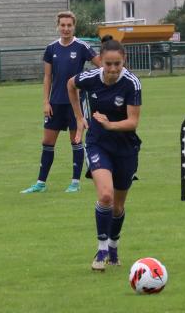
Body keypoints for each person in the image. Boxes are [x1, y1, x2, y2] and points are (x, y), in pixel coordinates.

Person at [67, 38, 142, 271]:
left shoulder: (132, 83)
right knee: (106, 196)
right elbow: (71, 84)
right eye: (108, 64)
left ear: (124, 61)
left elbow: (133, 122)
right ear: (101, 61)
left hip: (125, 147)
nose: (111, 69)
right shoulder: (91, 78)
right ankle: (100, 250)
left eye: (117, 64)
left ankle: (113, 246)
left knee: (118, 207)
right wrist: (80, 118)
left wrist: (110, 125)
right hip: (98, 143)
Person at [21, 11, 100, 194]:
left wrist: (87, 83)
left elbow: (102, 67)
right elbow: (47, 77)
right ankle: (40, 183)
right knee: (47, 142)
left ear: (74, 26)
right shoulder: (51, 48)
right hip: (55, 103)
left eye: (69, 25)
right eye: (62, 25)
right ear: (58, 26)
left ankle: (75, 182)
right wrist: (45, 102)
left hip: (75, 104)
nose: (66, 29)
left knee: (76, 141)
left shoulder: (82, 47)